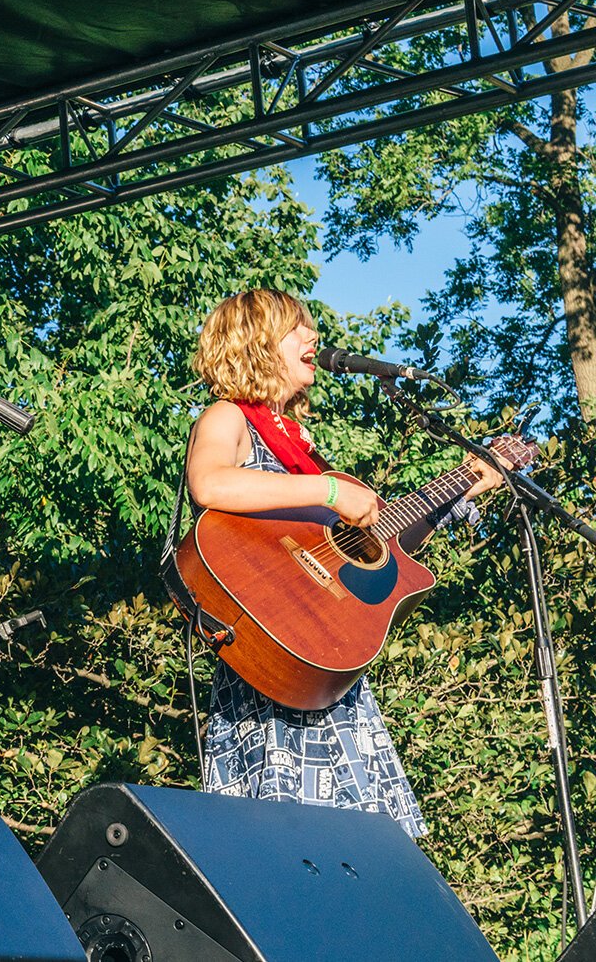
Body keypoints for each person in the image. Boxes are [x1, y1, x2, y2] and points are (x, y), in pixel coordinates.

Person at [184, 289, 502, 836]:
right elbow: (209, 483)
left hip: (325, 666)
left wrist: (461, 488)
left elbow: (386, 547)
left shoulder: (298, 449)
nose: (313, 336)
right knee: (286, 844)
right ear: (255, 343)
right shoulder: (227, 416)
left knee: (363, 853)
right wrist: (331, 490)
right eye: (296, 328)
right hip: (270, 659)